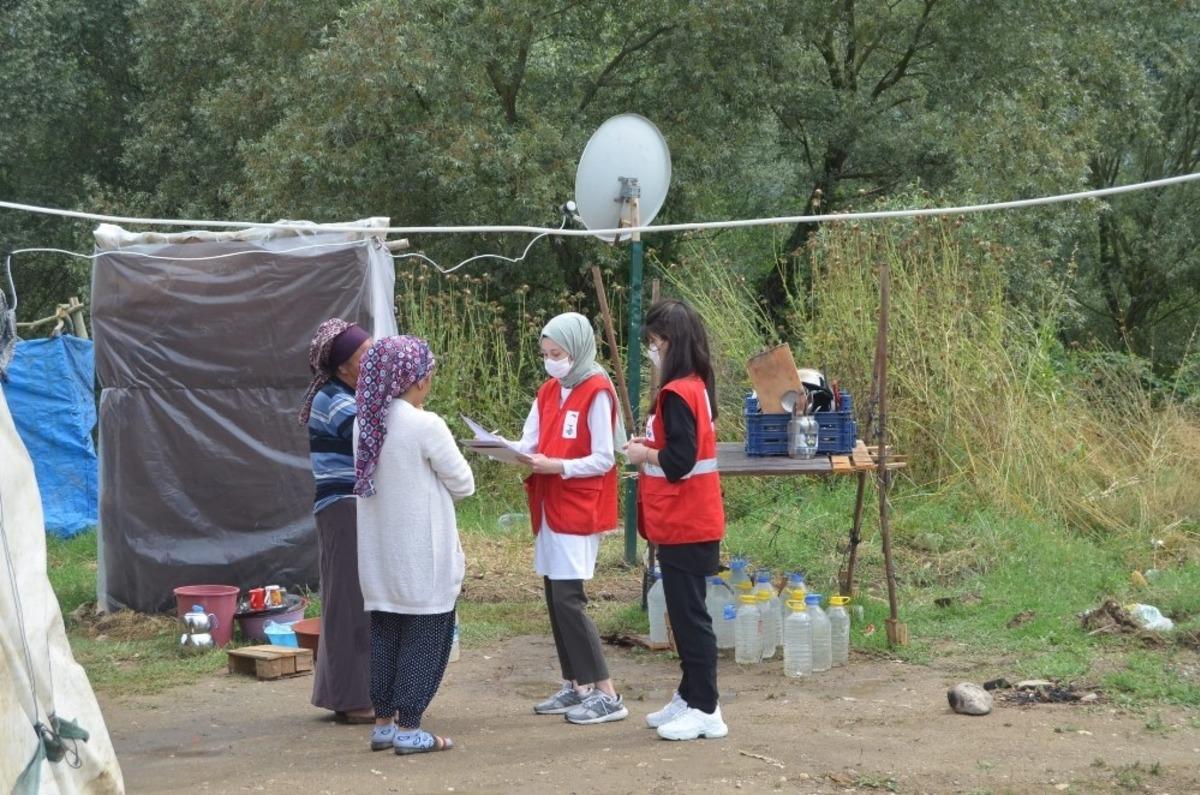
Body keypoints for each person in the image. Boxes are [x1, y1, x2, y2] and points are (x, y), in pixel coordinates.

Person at [353, 335, 475, 754]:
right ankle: (410, 729)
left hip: (379, 554)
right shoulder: (426, 424)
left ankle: (384, 724)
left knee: (385, 634)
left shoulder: (364, 421)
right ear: (418, 380)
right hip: (423, 556)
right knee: (425, 636)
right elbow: (464, 484)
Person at [517, 312, 628, 725]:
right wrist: (498, 448)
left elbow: (602, 458)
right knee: (554, 595)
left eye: (557, 353)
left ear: (577, 349)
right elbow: (528, 442)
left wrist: (557, 467)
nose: (551, 361)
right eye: (546, 354)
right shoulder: (549, 390)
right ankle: (576, 683)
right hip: (548, 503)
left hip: (577, 504)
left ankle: (607, 693)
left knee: (569, 598)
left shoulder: (597, 391)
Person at [624, 299, 728, 741]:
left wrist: (642, 453)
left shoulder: (677, 393)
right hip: (687, 519)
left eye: (654, 342)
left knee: (690, 617)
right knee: (684, 613)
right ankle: (689, 694)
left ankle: (706, 707)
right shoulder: (696, 385)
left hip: (687, 520)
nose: (652, 350)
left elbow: (680, 460)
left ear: (671, 343)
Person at [299, 319, 374, 724]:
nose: (373, 359)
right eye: (366, 354)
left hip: (349, 507)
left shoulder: (348, 393)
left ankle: (346, 693)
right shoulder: (335, 398)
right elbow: (371, 439)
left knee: (352, 600)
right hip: (342, 507)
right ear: (344, 365)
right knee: (349, 603)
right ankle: (353, 698)